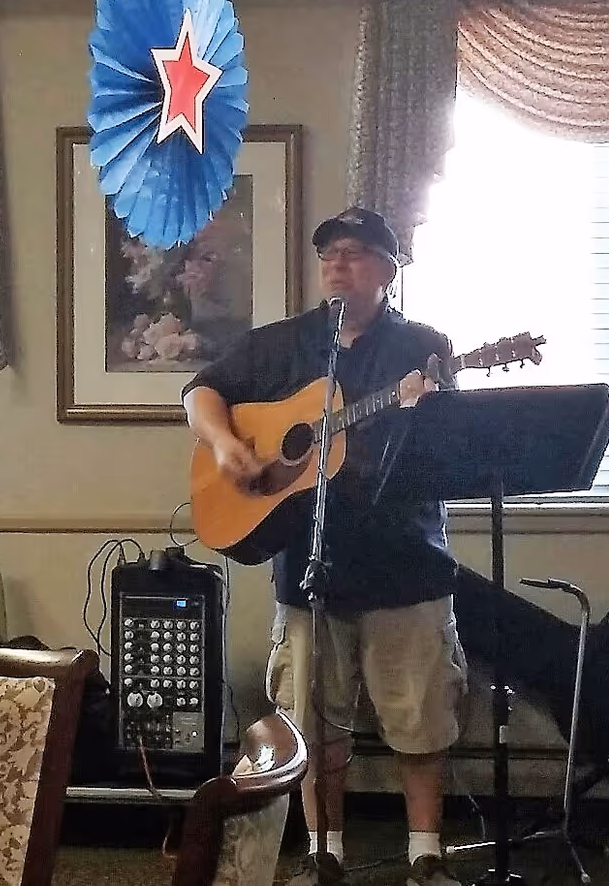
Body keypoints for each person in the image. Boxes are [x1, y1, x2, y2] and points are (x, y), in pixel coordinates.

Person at [182, 207, 466, 886]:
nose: (339, 263)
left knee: (419, 716)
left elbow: (451, 446)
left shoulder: (422, 346)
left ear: (388, 271)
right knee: (311, 721)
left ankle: (425, 856)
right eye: (330, 253)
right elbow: (200, 392)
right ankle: (324, 853)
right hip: (308, 567)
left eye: (357, 253)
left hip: (405, 563)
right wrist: (225, 445)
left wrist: (422, 406)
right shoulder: (284, 344)